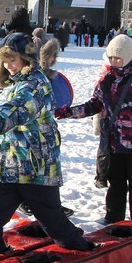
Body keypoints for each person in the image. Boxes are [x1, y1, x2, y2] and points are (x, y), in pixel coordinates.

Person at [0, 32, 94, 253]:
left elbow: (18, 107)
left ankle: (84, 251)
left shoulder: (34, 84)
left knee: (53, 222)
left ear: (26, 59)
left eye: (12, 60)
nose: (8, 66)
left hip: (36, 169)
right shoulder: (18, 82)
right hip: (9, 166)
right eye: (4, 61)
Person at [56, 34, 132, 224]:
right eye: (111, 57)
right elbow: (94, 104)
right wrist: (68, 113)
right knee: (116, 182)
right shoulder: (106, 80)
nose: (114, 61)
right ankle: (114, 217)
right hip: (114, 143)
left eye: (118, 57)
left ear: (129, 56)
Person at [39, 38, 75, 218]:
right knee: (40, 169)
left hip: (48, 129)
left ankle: (52, 205)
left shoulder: (51, 77)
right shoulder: (38, 77)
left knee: (50, 169)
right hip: (37, 131)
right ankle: (38, 204)